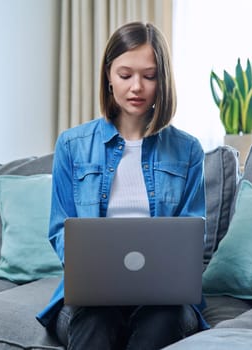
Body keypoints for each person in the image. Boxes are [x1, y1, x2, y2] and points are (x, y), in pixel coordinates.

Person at [36, 21, 207, 349]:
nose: (137, 88)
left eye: (149, 75)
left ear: (163, 79)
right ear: (108, 76)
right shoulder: (72, 146)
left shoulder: (188, 151)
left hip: (164, 299)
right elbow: (60, 229)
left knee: (161, 324)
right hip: (93, 296)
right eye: (125, 75)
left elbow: (192, 233)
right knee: (95, 324)